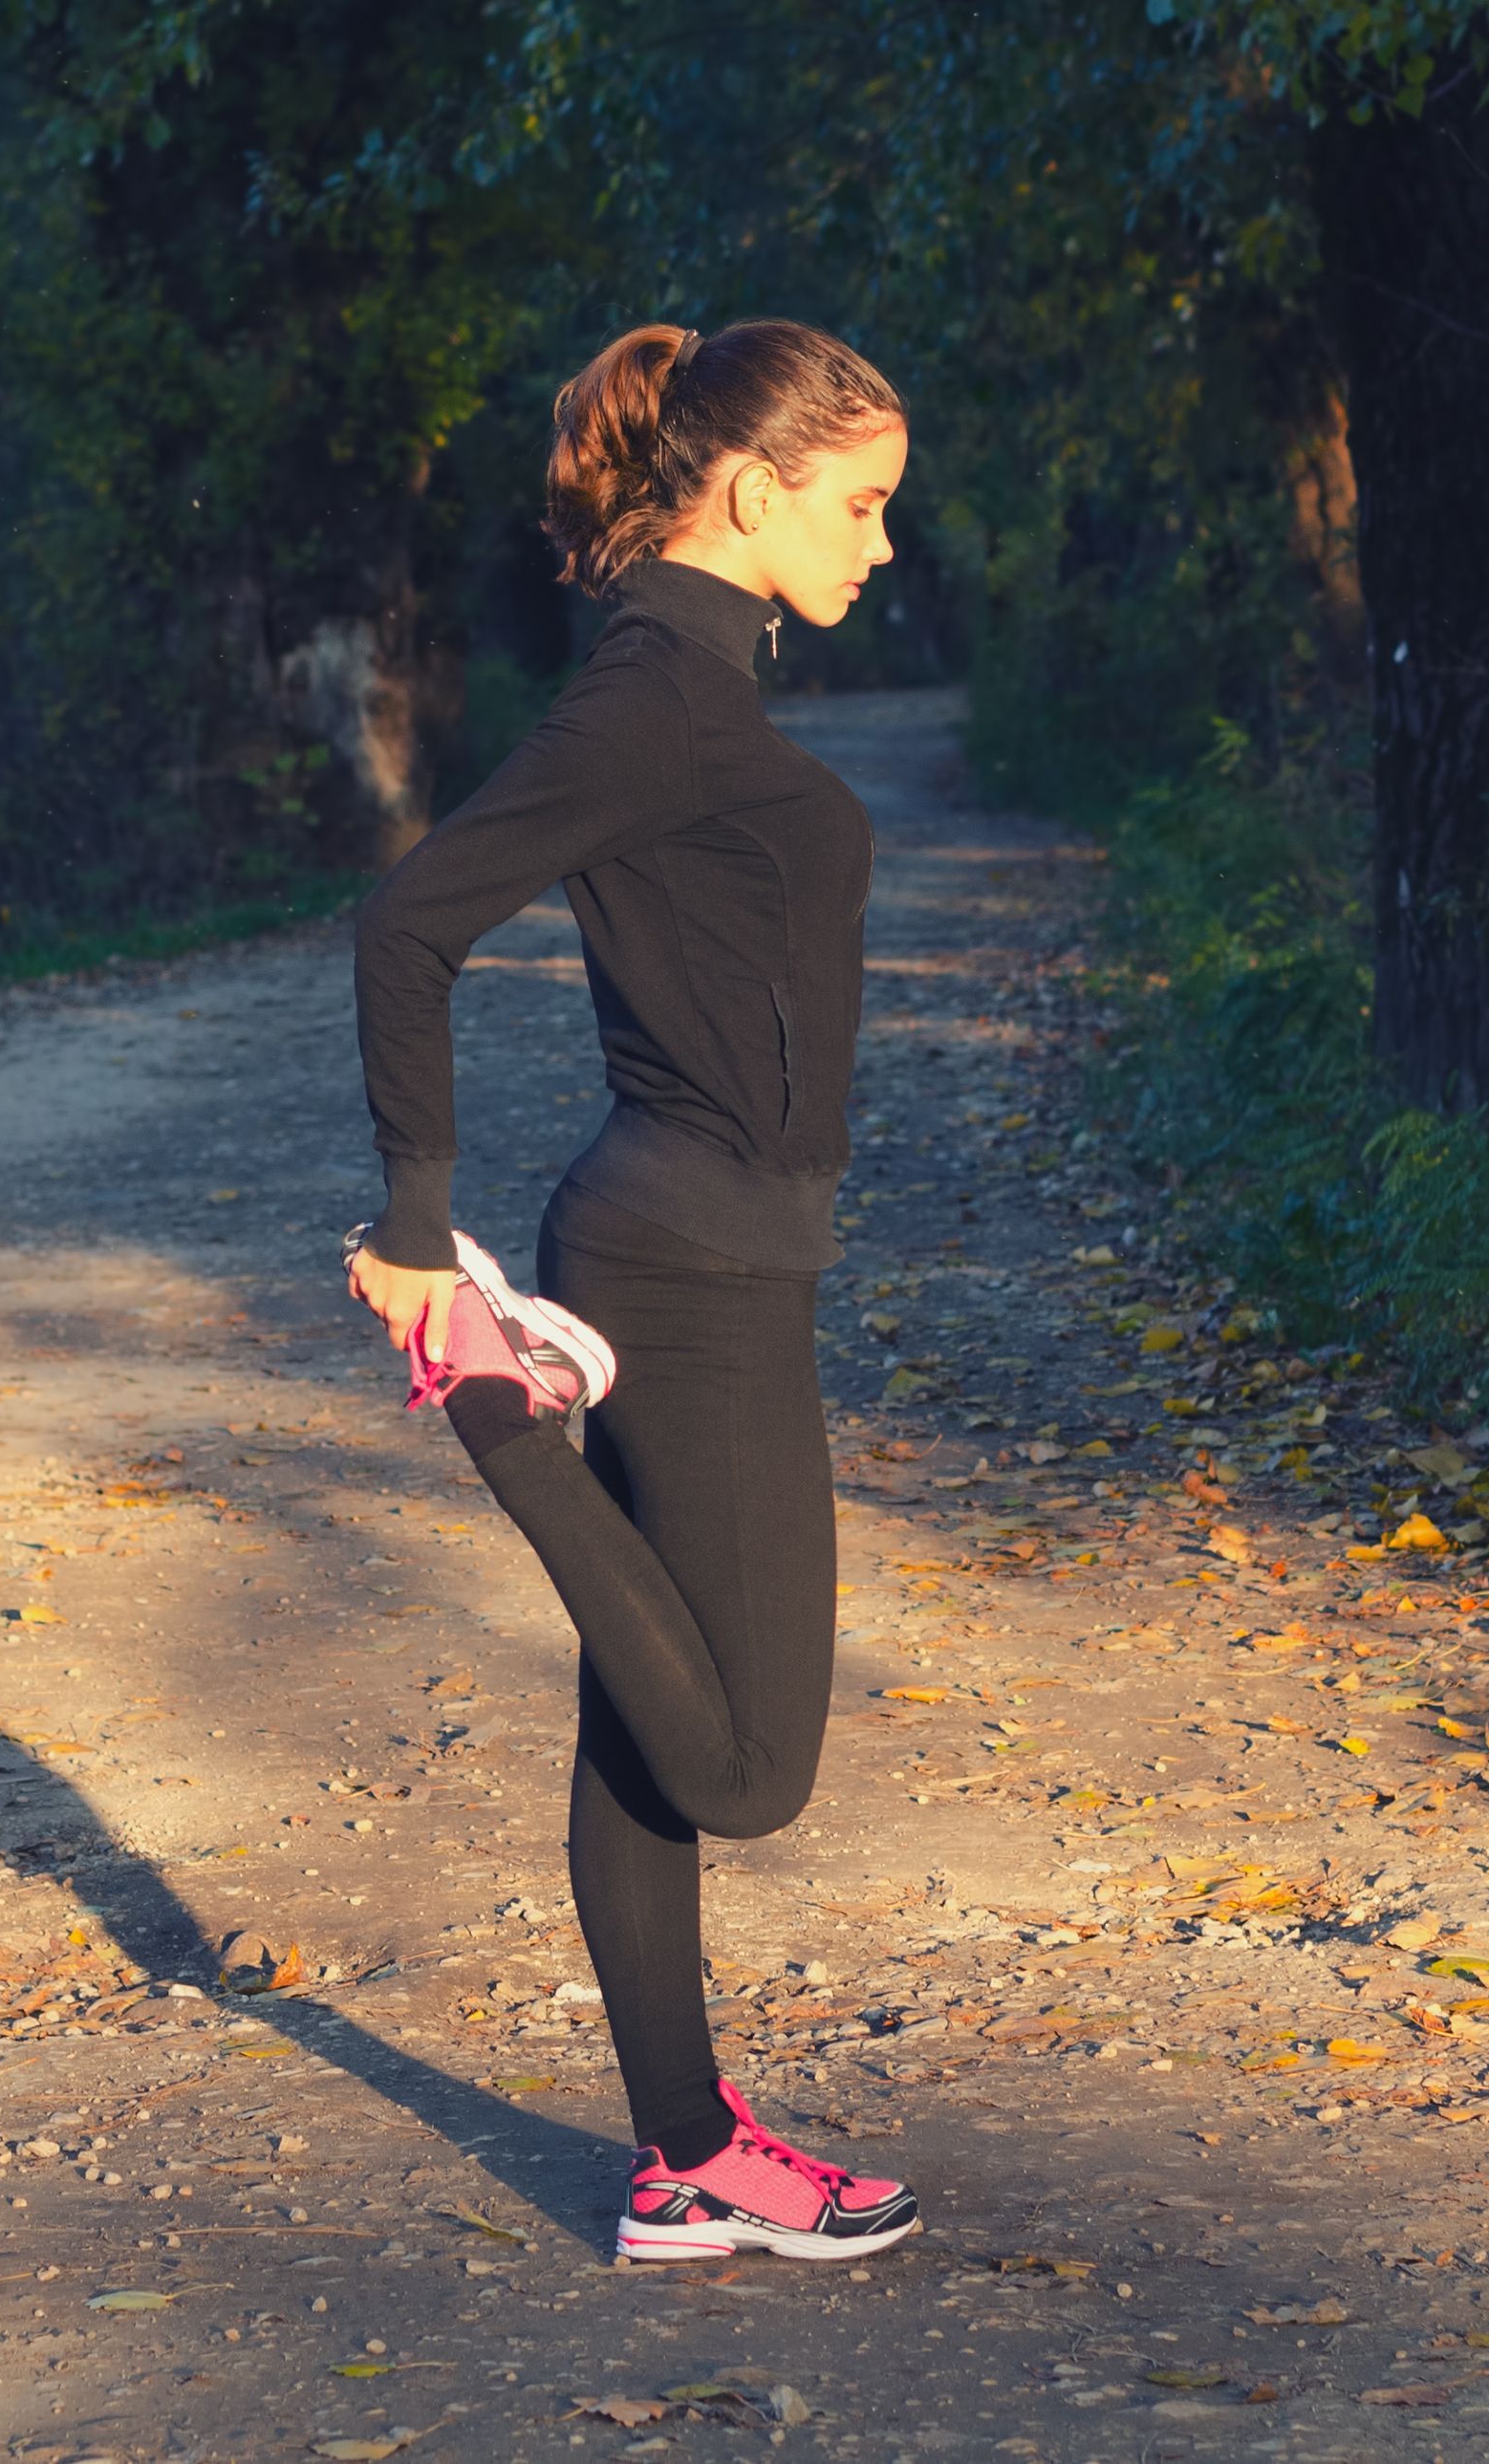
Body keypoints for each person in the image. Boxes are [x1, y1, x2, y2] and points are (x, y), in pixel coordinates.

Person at [345, 317, 919, 2264]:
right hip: (688, 1273)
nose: (882, 545)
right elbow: (411, 919)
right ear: (754, 494)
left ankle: (689, 2158)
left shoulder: (688, 678)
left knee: (644, 1728)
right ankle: (494, 1399)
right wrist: (422, 1242)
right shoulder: (660, 694)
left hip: (696, 1245)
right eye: (860, 506)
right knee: (746, 1774)